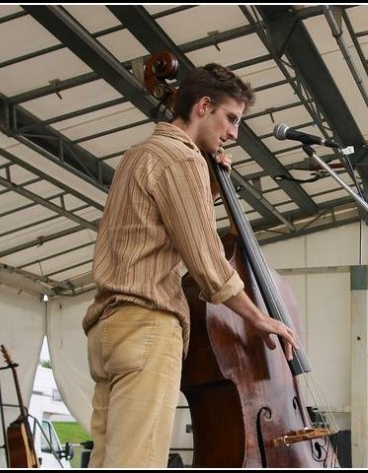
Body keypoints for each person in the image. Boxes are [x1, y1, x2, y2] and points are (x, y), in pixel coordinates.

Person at [82, 63, 299, 468]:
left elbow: (160, 221)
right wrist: (259, 317)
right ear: (203, 106)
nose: (234, 132)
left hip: (106, 331)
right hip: (148, 325)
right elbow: (207, 261)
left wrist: (213, 184)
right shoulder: (182, 159)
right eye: (231, 118)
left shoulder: (139, 154)